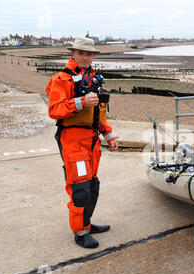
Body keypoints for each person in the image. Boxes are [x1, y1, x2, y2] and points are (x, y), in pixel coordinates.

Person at [46, 37, 118, 249]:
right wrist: (80, 101)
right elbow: (54, 110)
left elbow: (97, 114)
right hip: (72, 140)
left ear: (93, 56)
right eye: (81, 53)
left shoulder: (93, 78)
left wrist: (109, 134)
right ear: (73, 54)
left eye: (89, 53)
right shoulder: (61, 79)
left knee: (92, 186)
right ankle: (80, 233)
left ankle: (86, 223)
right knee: (80, 189)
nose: (86, 57)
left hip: (92, 141)